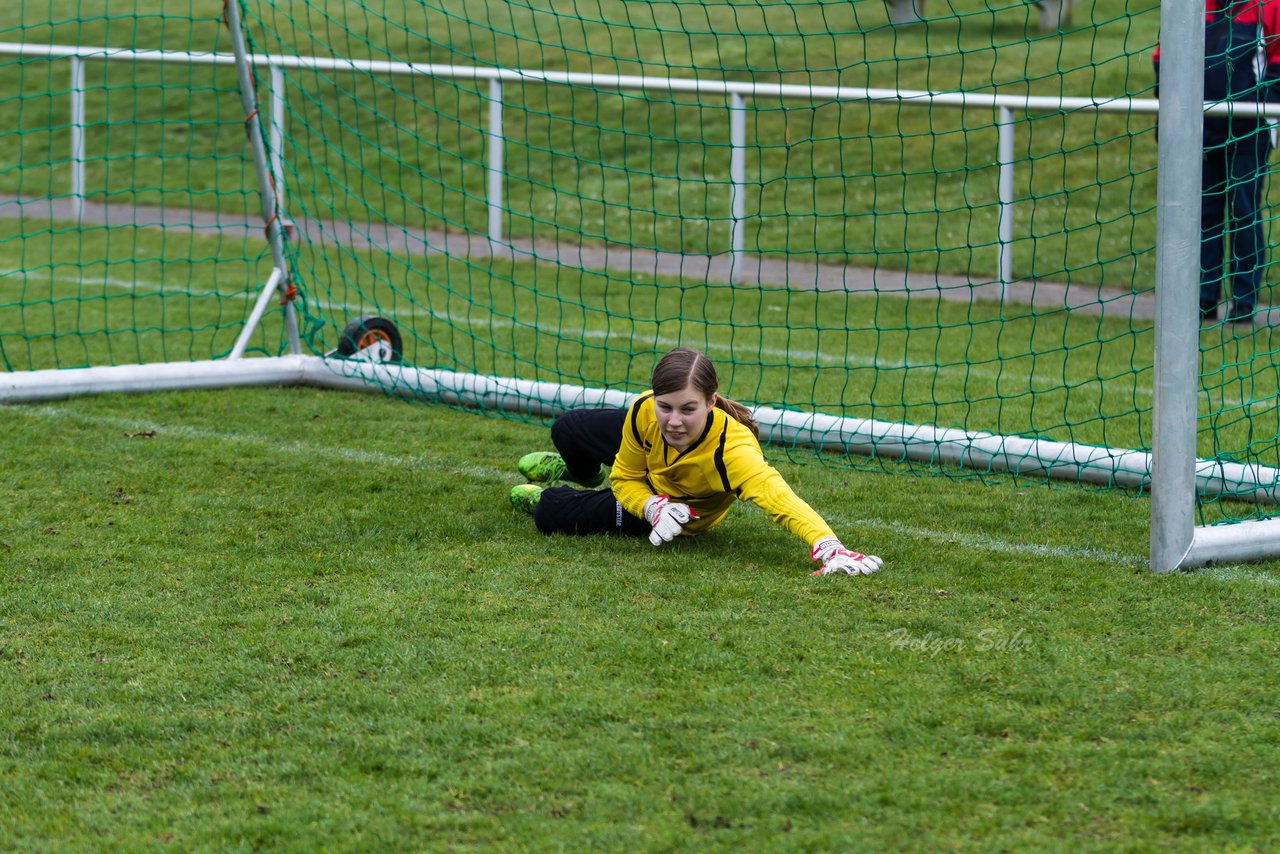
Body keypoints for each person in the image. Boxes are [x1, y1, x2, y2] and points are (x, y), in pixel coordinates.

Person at [508, 347, 884, 577]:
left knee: (550, 512)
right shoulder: (644, 412)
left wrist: (828, 545)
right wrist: (647, 501)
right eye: (665, 406)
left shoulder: (732, 451)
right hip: (650, 484)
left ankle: (549, 497)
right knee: (567, 428)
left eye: (688, 409)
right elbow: (625, 478)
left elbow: (778, 498)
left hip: (675, 511)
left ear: (710, 402)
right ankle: (580, 472)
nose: (674, 421)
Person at [1155, 0, 1280, 325]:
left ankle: (1243, 303)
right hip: (1198, 129)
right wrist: (1170, 117)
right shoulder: (1189, 6)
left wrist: (1264, 108)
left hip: (1248, 131)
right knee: (1201, 215)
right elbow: (1163, 57)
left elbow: (1278, 63)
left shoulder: (1270, 6)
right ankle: (1202, 299)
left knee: (1244, 214)